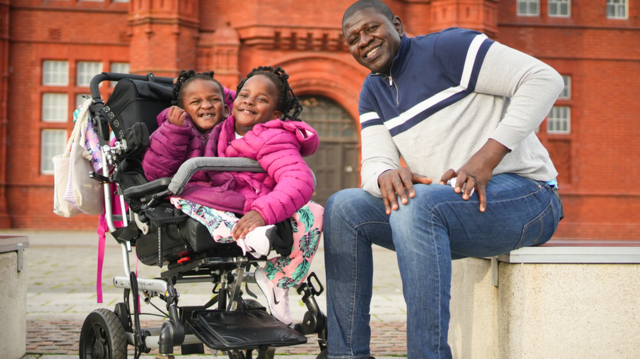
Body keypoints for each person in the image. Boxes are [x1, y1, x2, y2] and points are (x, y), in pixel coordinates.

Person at [324, 0, 565, 358]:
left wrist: (486, 158)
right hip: (451, 208)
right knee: (342, 208)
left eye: (371, 28)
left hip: (529, 197)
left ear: (397, 25)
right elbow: (374, 161)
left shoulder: (449, 48)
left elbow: (545, 79)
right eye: (353, 38)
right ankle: (346, 355)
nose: (364, 40)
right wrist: (386, 174)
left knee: (417, 208)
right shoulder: (373, 91)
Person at [143, 68, 324, 325]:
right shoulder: (216, 121)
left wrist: (263, 212)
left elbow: (299, 179)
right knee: (189, 198)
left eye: (261, 99)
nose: (249, 101)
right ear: (234, 101)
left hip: (249, 203)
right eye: (244, 95)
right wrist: (177, 117)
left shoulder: (274, 136)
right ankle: (249, 238)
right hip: (212, 198)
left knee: (313, 212)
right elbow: (211, 94)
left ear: (275, 114)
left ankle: (278, 278)